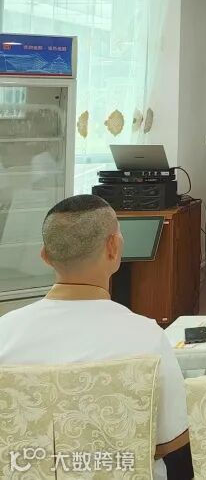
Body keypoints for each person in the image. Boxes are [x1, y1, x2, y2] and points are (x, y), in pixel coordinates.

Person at [0, 196, 188, 479]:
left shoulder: (4, 333)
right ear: (113, 247)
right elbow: (170, 441)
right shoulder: (146, 336)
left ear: (45, 256)